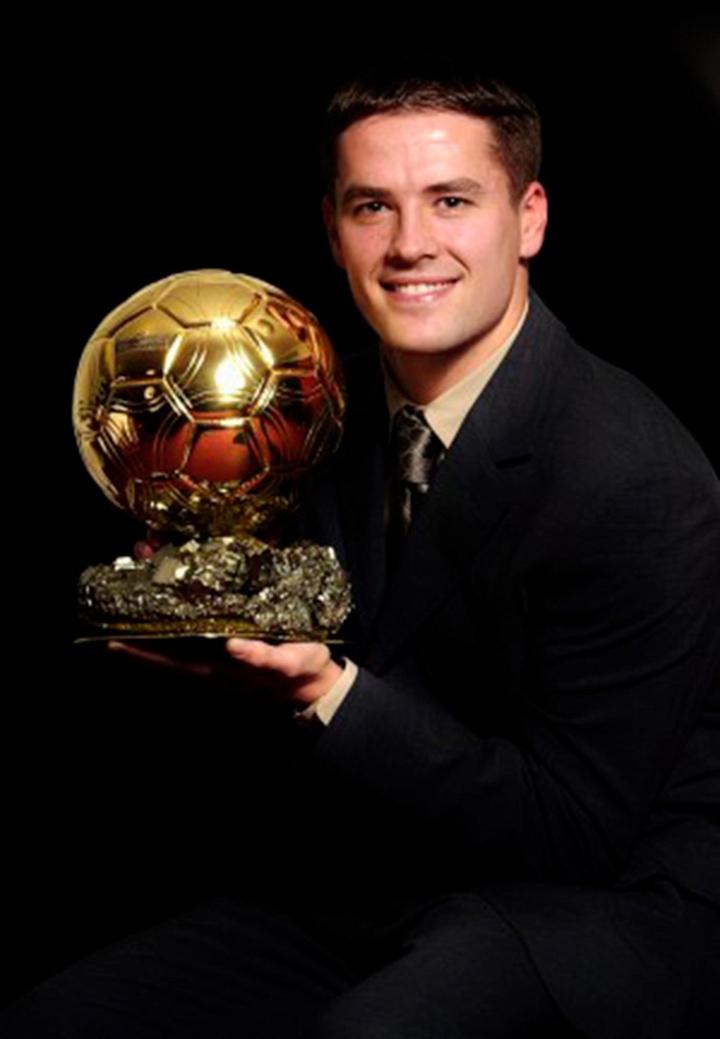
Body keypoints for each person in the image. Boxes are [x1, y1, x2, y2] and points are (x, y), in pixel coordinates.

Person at [4, 56, 719, 1038]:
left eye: (452, 200)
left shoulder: (636, 476)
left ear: (530, 218)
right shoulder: (302, 412)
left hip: (593, 908)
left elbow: (574, 830)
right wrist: (195, 575)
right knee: (57, 1023)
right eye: (373, 206)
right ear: (334, 231)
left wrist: (323, 690)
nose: (410, 244)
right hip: (367, 884)